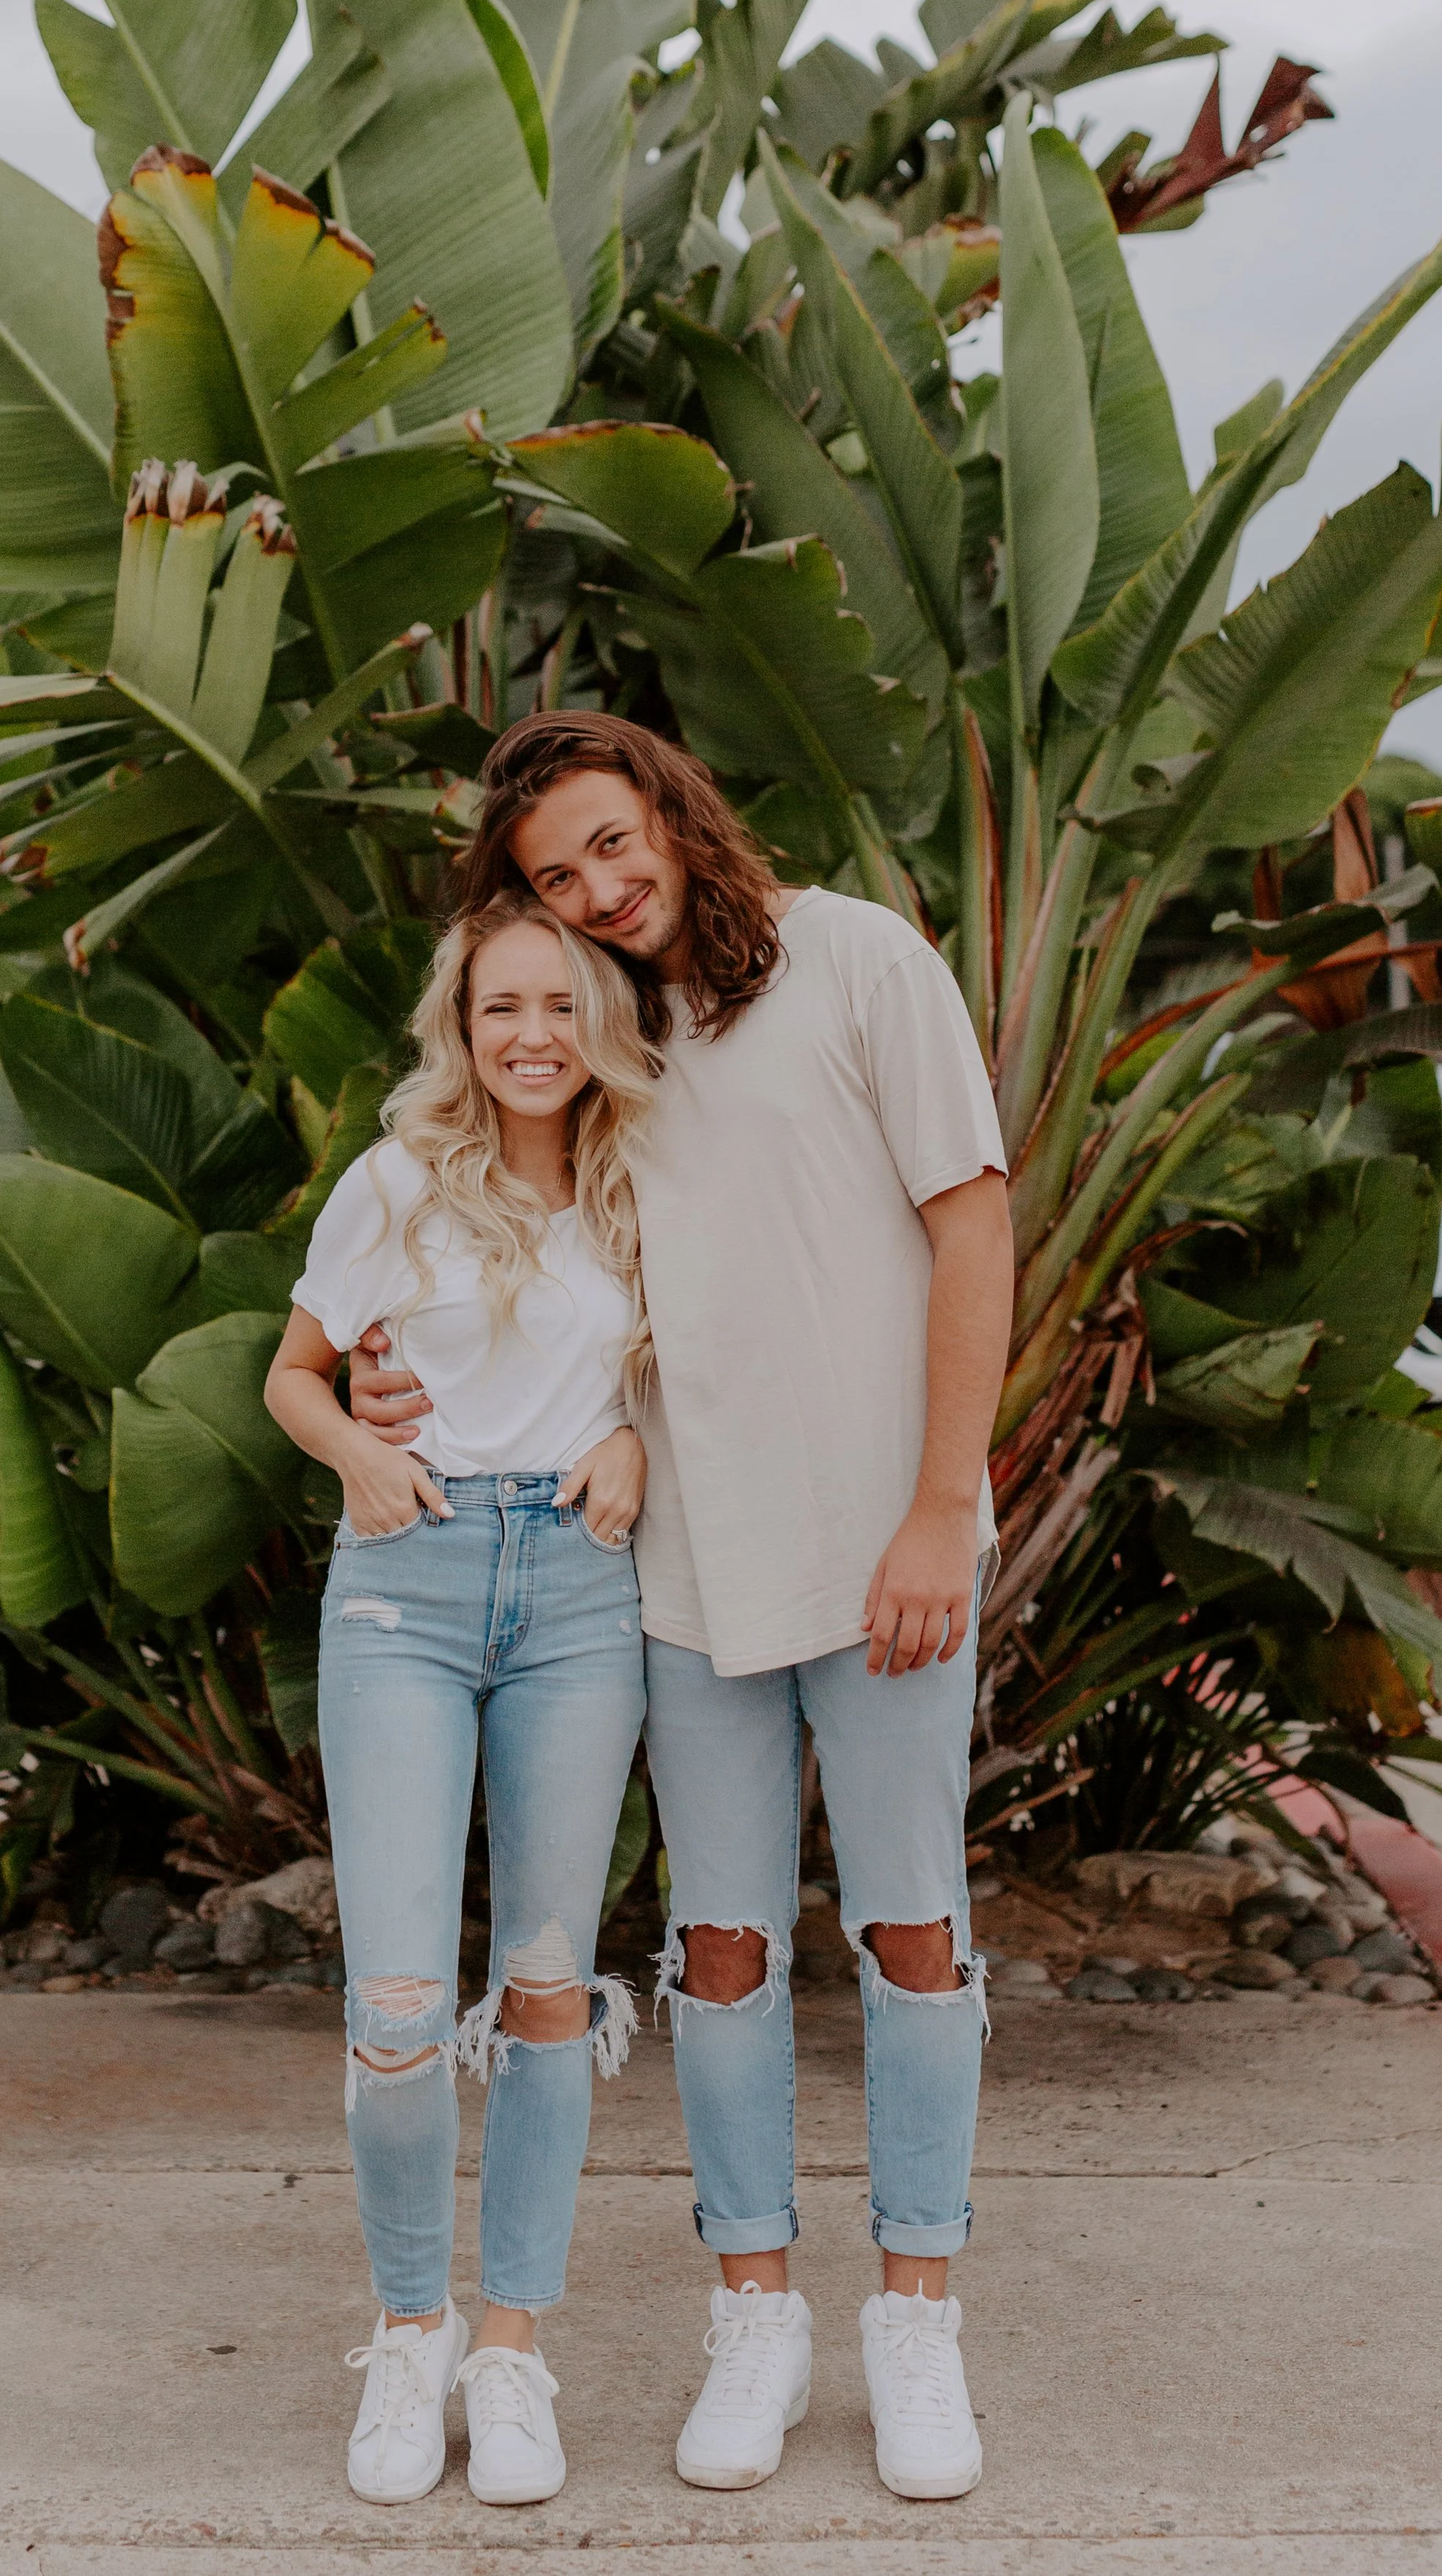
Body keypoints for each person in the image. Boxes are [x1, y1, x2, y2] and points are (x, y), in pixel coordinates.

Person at [351, 711, 1015, 2505]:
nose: (595, 888)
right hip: (680, 1566)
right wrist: (386, 1380)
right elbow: (519, 1256)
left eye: (606, 841)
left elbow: (969, 1227)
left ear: (668, 805)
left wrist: (939, 1508)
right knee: (718, 1948)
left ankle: (914, 2316)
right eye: (553, 877)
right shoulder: (600, 1036)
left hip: (883, 1542)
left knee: (911, 1932)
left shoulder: (857, 959)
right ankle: (755, 2312)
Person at [265, 886, 658, 2510]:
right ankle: (408, 2329)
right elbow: (294, 1373)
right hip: (405, 1587)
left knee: (549, 1989)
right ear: (462, 1024)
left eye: (561, 1004)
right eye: (502, 1005)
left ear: (601, 1022)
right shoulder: (395, 1182)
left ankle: (509, 2350)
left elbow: (688, 1376)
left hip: (580, 1592)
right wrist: (355, 1456)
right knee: (400, 2002)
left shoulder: (649, 1185)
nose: (532, 1035)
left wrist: (635, 1438)